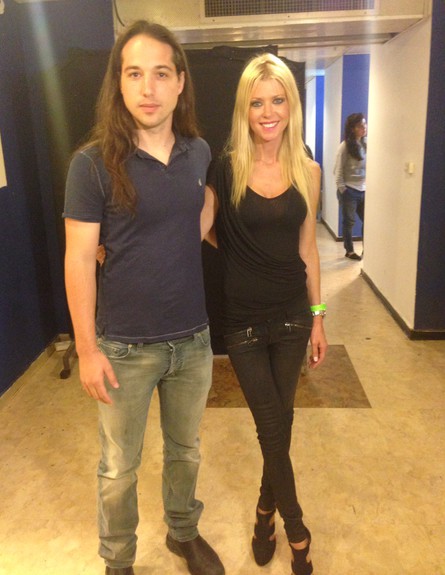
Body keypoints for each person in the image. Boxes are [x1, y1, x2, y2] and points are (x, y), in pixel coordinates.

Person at [63, 20, 224, 575]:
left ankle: (183, 533)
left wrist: (204, 213)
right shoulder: (91, 165)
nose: (148, 88)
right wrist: (87, 349)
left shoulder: (198, 152)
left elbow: (196, 210)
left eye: (160, 73)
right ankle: (119, 560)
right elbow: (78, 259)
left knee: (186, 451)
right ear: (119, 83)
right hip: (124, 348)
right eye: (134, 74)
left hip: (193, 341)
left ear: (180, 82)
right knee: (118, 468)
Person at [202, 53, 328, 575]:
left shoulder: (309, 170)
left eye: (277, 100)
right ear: (244, 109)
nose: (268, 112)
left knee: (281, 422)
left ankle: (263, 512)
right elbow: (201, 229)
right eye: (257, 103)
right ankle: (296, 528)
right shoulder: (225, 167)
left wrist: (318, 316)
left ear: (290, 105)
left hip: (294, 317)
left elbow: (308, 249)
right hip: (244, 322)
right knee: (271, 425)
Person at [334, 112, 367, 260]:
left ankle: (368, 249)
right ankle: (349, 250)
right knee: (349, 222)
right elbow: (338, 170)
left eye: (365, 124)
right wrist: (343, 190)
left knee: (368, 220)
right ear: (352, 128)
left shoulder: (366, 144)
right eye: (360, 125)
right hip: (349, 190)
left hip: (364, 190)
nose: (364, 128)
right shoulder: (345, 146)